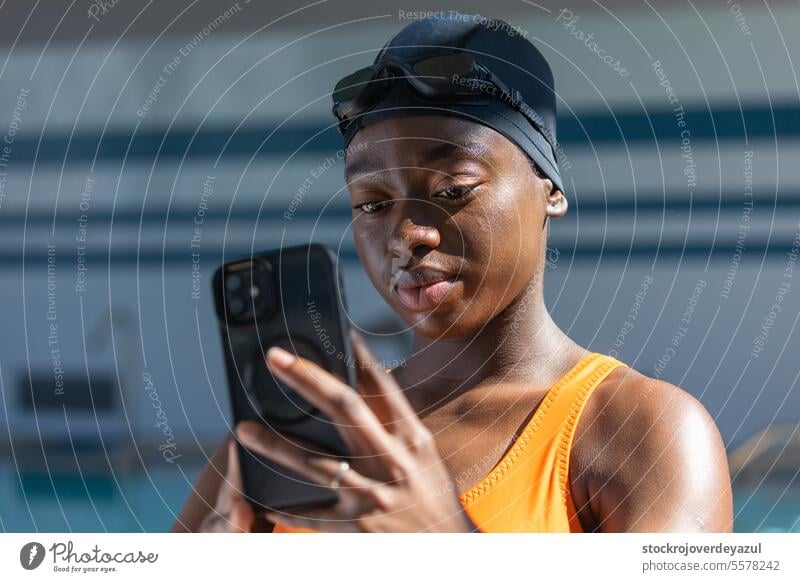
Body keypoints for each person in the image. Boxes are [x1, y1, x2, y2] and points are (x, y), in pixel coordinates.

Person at [171, 13, 733, 533]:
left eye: (452, 190)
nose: (407, 233)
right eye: (372, 203)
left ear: (551, 189)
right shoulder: (295, 440)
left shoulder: (640, 431)